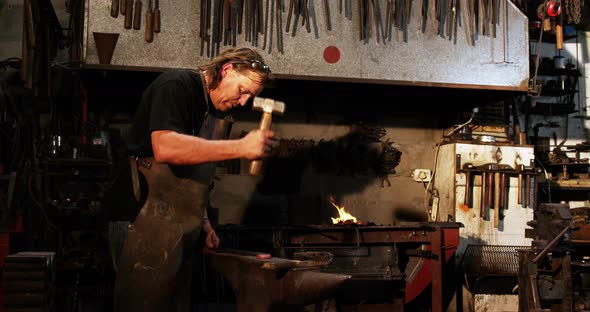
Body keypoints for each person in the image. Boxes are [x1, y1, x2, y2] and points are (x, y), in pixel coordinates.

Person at [113, 47, 274, 312]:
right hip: (138, 219)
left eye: (251, 97)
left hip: (177, 224)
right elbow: (165, 147)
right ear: (227, 70)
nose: (244, 101)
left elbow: (193, 173)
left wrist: (203, 220)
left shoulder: (216, 114)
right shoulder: (177, 85)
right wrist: (240, 148)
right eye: (243, 91)